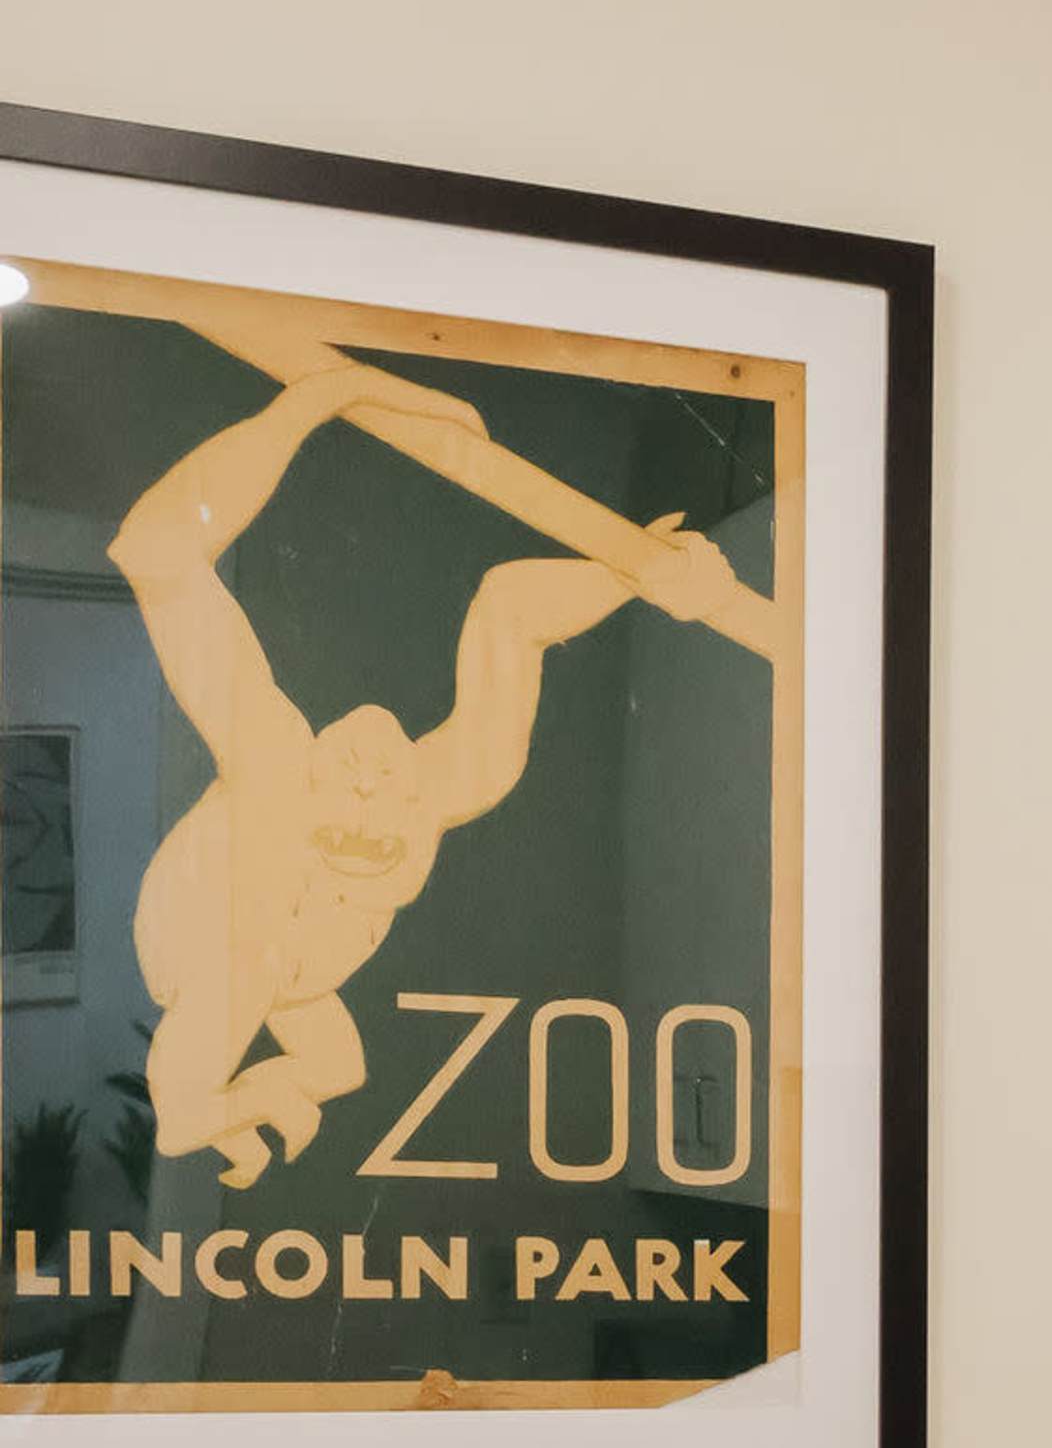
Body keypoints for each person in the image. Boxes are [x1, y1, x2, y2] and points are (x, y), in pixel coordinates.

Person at [110, 349, 747, 1190]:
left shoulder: (433, 787)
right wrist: (319, 399)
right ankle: (199, 1111)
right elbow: (158, 555)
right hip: (201, 936)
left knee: (338, 1066)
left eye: (370, 804)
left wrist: (641, 574)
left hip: (294, 984)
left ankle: (256, 1099)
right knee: (252, 967)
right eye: (348, 790)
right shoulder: (275, 754)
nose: (371, 786)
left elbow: (512, 614)